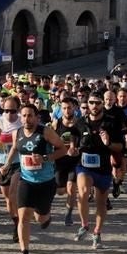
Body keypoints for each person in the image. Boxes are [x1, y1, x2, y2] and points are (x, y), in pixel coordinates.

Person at [0, 104, 66, 254]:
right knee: (23, 217)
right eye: (24, 115)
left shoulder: (45, 132)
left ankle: (46, 216)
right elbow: (15, 147)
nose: (26, 119)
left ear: (37, 117)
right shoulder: (18, 132)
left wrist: (44, 158)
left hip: (46, 182)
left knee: (40, 218)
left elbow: (63, 150)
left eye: (30, 116)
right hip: (26, 180)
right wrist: (7, 165)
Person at [73, 90, 125, 249]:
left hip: (103, 168)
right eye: (91, 103)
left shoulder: (111, 123)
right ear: (87, 104)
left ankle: (97, 232)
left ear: (103, 104)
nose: (94, 106)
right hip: (84, 166)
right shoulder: (80, 123)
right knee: (82, 192)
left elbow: (120, 146)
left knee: (101, 203)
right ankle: (84, 225)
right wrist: (72, 149)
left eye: (97, 103)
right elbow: (73, 144)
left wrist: (108, 143)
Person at [0, 95, 23, 242]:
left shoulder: (22, 122)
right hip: (1, 164)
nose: (9, 114)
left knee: (14, 195)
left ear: (18, 110)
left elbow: (19, 145)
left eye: (12, 111)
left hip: (18, 164)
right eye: (6, 110)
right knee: (8, 200)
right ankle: (16, 222)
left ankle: (20, 225)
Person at [51, 97, 81, 226]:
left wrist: (78, 149)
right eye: (64, 108)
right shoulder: (56, 123)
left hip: (75, 161)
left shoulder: (80, 123)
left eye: (69, 107)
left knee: (71, 188)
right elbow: (50, 140)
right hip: (60, 161)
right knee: (60, 191)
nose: (67, 110)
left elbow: (86, 142)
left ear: (74, 107)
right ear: (60, 109)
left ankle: (68, 214)